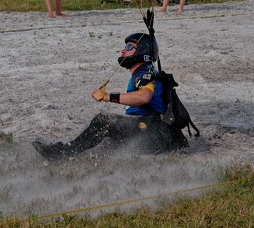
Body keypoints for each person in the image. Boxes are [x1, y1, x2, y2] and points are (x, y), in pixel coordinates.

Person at [32, 32, 187, 160]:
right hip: (153, 133)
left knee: (103, 121)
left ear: (142, 51)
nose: (123, 50)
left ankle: (63, 153)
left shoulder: (144, 72)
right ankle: (70, 151)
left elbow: (144, 97)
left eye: (129, 47)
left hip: (155, 134)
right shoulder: (143, 72)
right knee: (108, 138)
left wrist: (108, 97)